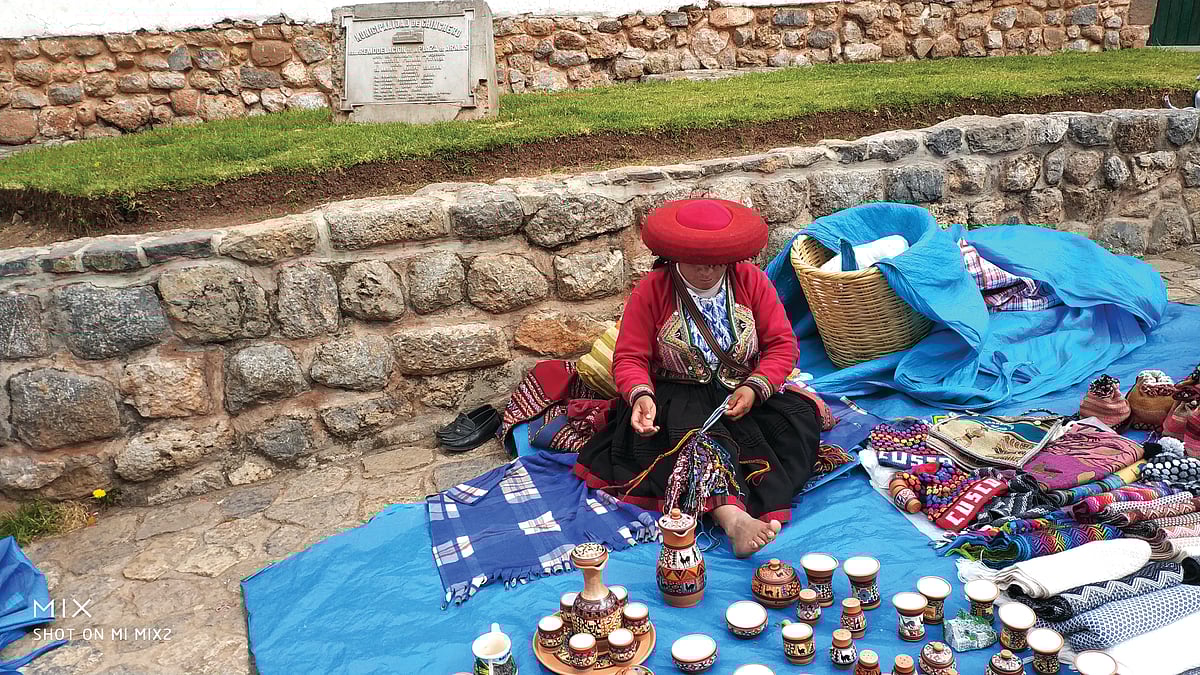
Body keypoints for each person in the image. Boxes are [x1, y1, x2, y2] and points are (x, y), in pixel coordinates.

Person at [573, 199, 825, 557]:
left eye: (716, 263)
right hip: (678, 393)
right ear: (675, 257)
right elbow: (630, 356)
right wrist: (641, 397)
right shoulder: (653, 289)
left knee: (798, 422)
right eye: (697, 263)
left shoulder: (751, 280)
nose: (708, 270)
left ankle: (743, 500)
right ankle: (733, 520)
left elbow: (782, 345)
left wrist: (756, 386)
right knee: (694, 441)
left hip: (741, 389)